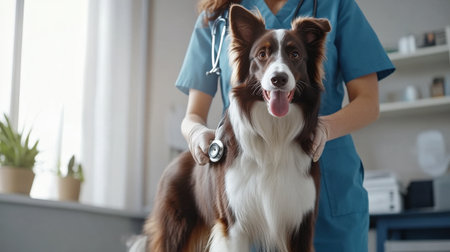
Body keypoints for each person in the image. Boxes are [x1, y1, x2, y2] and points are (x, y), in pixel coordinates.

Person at [175, 0, 395, 251]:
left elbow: (368, 103)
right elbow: (193, 114)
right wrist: (195, 132)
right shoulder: (217, 16)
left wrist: (324, 129)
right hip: (248, 195)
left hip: (326, 187)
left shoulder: (336, 5)